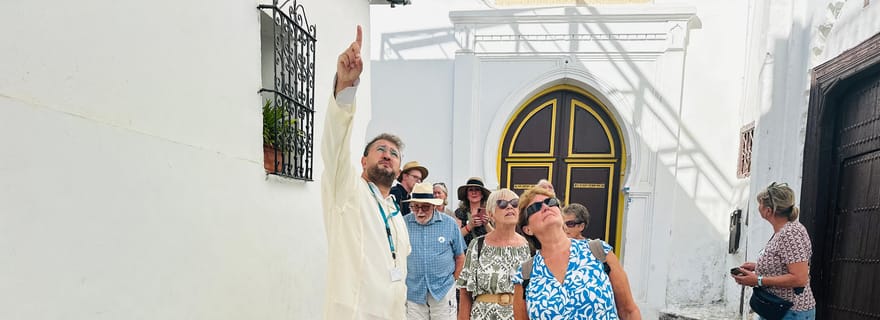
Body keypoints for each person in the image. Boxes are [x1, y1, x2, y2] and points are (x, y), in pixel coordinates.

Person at [321, 25, 411, 320]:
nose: (388, 155)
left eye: (394, 154)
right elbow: (335, 144)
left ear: (398, 169)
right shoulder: (346, 190)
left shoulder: (394, 212)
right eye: (380, 150)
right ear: (363, 161)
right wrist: (346, 89)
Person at [512, 186, 641, 320]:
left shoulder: (598, 252)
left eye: (551, 202)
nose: (545, 207)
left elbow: (628, 311)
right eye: (535, 208)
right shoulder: (526, 274)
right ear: (528, 229)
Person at [732, 182, 816, 319]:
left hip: (790, 312)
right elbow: (786, 264)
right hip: (777, 309)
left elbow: (800, 278)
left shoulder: (790, 233)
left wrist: (758, 280)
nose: (758, 207)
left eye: (760, 203)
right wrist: (757, 267)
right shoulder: (785, 231)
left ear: (768, 210)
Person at [456, 188, 531, 320]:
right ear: (490, 214)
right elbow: (465, 291)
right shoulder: (477, 245)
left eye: (514, 203)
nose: (509, 207)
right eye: (502, 204)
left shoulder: (528, 246)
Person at [403, 182, 466, 320]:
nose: (419, 212)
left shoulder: (449, 224)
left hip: (443, 290)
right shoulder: (403, 223)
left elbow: (460, 256)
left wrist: (453, 281)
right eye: (415, 207)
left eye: (425, 207)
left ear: (434, 205)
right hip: (413, 290)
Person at [456, 177, 494, 248]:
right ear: (467, 195)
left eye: (477, 190)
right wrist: (470, 226)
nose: (474, 192)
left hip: (486, 253)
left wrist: (486, 224)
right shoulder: (460, 212)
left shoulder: (490, 212)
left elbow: (497, 237)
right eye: (471, 190)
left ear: (482, 194)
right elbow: (455, 236)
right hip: (466, 254)